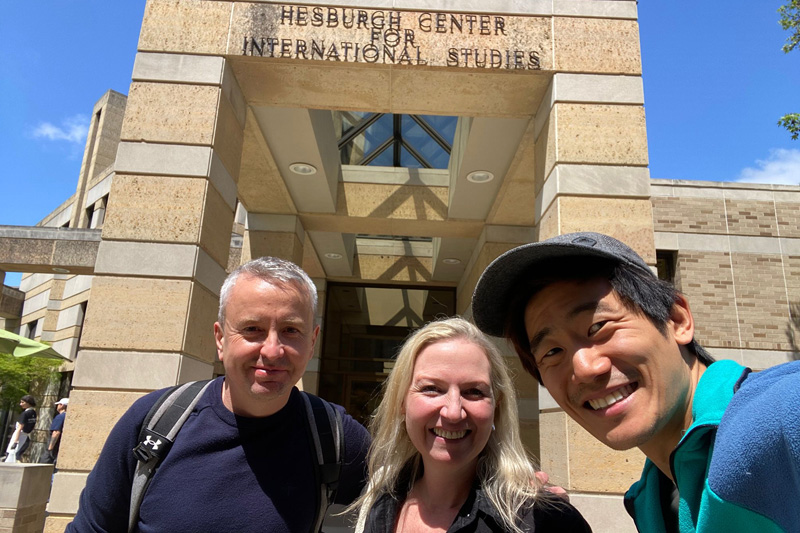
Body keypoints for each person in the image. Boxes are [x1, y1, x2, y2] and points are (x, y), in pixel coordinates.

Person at [471, 231, 800, 533]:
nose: (584, 368)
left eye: (598, 327)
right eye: (552, 351)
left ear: (677, 319)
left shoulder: (781, 418)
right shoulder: (650, 500)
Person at [68, 257, 370, 532]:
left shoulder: (335, 436)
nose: (272, 350)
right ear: (221, 338)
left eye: (291, 330)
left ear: (312, 342)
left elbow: (395, 507)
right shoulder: (154, 421)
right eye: (252, 328)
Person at [349, 317, 591, 533]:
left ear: (496, 408)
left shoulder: (546, 521)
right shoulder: (378, 496)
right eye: (432, 389)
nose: (453, 412)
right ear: (402, 402)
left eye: (474, 391)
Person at [5, 394, 37, 462]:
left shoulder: (25, 414)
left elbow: (19, 428)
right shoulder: (33, 413)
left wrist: (15, 441)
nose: (20, 404)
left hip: (19, 435)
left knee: (11, 454)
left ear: (28, 403)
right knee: (17, 455)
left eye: (22, 402)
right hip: (26, 436)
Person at [42, 397, 68, 465]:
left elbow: (56, 432)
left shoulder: (60, 417)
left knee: (44, 465)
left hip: (54, 448)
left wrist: (50, 448)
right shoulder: (67, 417)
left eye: (59, 404)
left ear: (62, 405)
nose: (57, 406)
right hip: (60, 447)